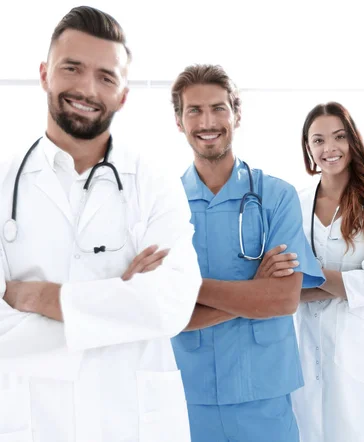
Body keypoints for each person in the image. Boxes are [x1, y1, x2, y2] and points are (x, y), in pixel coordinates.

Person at [0, 6, 201, 442]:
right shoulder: (3, 182)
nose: (87, 88)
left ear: (123, 94)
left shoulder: (154, 180)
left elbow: (171, 302)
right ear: (44, 74)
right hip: (33, 420)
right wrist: (122, 304)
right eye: (72, 68)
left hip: (134, 419)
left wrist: (38, 297)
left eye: (106, 77)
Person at [170, 64, 324, 442]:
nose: (208, 121)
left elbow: (283, 299)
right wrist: (254, 293)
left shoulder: (276, 196)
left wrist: (189, 288)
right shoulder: (164, 204)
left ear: (237, 115)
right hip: (187, 393)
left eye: (219, 108)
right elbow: (164, 311)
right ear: (179, 121)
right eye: (195, 110)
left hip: (264, 393)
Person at [287, 102, 364, 442]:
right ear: (308, 150)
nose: (329, 148)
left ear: (353, 141)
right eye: (318, 140)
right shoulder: (295, 201)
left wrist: (306, 282)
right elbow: (282, 282)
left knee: (360, 429)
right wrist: (337, 283)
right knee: (309, 427)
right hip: (306, 343)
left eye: (339, 137)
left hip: (359, 348)